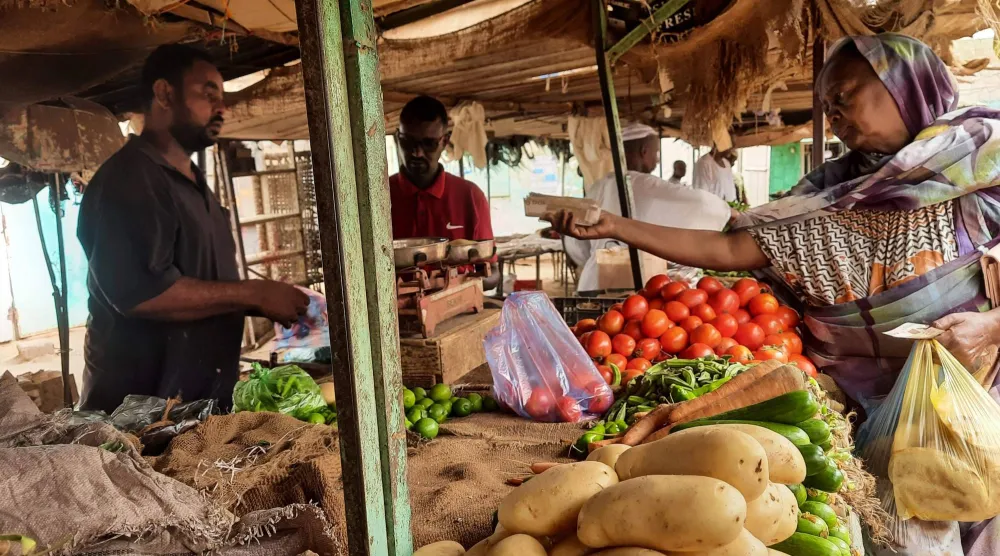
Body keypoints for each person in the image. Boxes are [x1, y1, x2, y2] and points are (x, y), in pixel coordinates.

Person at [546, 33, 1000, 554]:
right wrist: (614, 225)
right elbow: (733, 249)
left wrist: (989, 326)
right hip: (878, 410)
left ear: (906, 88)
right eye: (828, 105)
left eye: (845, 98)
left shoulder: (985, 163)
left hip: (980, 390)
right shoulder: (829, 194)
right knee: (909, 533)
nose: (835, 115)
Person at [77, 44, 309, 413]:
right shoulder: (130, 179)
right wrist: (253, 293)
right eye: (208, 93)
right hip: (137, 419)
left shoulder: (195, 182)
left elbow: (205, 286)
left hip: (194, 407)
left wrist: (273, 300)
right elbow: (144, 294)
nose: (222, 108)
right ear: (164, 94)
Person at [568, 123, 733, 292]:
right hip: (637, 286)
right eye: (656, 152)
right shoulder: (650, 186)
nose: (658, 159)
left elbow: (576, 245)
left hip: (593, 285)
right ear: (644, 151)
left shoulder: (596, 188)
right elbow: (703, 205)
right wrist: (728, 211)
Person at [389, 95, 499, 288]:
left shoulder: (471, 197)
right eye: (408, 142)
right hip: (393, 315)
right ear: (398, 139)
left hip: (457, 312)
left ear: (445, 141)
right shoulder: (377, 198)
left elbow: (493, 273)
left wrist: (459, 284)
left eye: (428, 144)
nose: (417, 153)